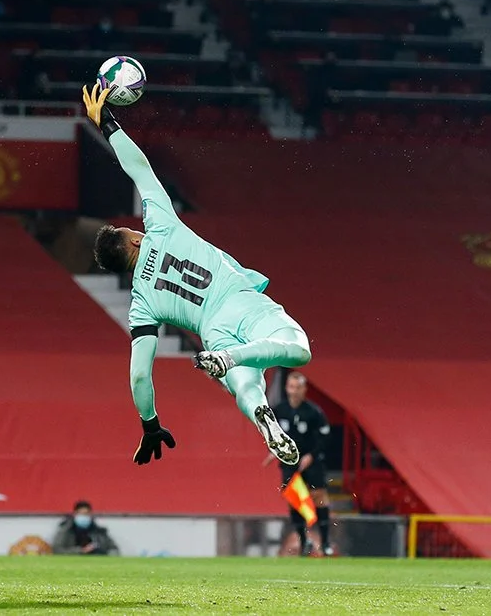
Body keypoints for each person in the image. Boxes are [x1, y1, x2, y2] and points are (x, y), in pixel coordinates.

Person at [80, 84, 311, 467]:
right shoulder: (161, 226)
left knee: (246, 385)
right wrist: (107, 123)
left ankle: (256, 408)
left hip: (212, 332)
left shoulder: (141, 306)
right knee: (298, 348)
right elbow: (140, 169)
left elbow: (139, 376)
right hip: (238, 300)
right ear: (134, 240)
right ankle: (233, 358)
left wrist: (150, 424)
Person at [272, 372, 334, 556]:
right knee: (294, 499)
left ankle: (325, 542)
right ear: (287, 388)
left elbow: (325, 436)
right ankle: (303, 540)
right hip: (289, 462)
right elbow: (273, 434)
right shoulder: (279, 410)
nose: (294, 391)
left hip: (312, 461)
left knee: (319, 495)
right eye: (291, 387)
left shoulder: (313, 412)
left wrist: (311, 456)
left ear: (304, 389)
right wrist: (273, 450)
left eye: (298, 387)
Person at [51, 501, 120, 555]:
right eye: (81, 514)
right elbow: (56, 550)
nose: (84, 516)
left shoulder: (99, 531)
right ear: (75, 514)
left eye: (86, 514)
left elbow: (114, 549)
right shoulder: (66, 531)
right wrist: (81, 551)